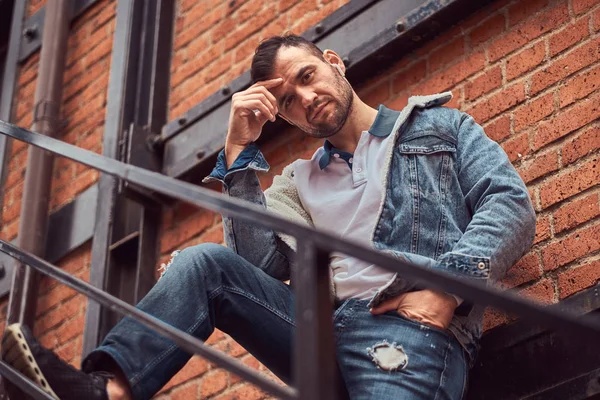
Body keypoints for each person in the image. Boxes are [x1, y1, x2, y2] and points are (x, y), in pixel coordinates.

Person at [1, 34, 536, 400]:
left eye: (308, 76)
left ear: (334, 61)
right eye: (289, 100)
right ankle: (110, 390)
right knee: (204, 264)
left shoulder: (438, 129)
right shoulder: (296, 184)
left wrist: (446, 287)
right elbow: (254, 264)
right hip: (323, 335)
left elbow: (509, 205)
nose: (306, 98)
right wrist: (237, 150)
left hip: (410, 327)